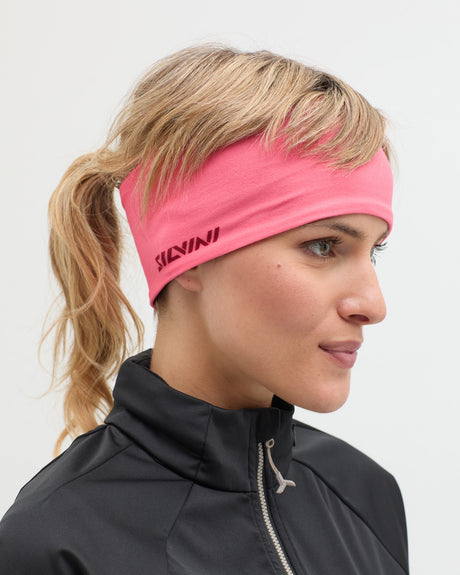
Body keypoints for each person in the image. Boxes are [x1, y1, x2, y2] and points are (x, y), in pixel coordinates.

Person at [0, 45, 409, 574]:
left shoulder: (364, 493)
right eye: (324, 246)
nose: (373, 304)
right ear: (190, 255)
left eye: (373, 252)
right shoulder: (56, 545)